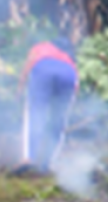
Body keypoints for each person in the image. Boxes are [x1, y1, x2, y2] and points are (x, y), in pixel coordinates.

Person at [16, 36, 78, 176]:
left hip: (43, 69)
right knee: (58, 120)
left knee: (36, 113)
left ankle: (29, 158)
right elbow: (75, 87)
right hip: (69, 74)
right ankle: (48, 163)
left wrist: (19, 89)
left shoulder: (40, 47)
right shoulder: (70, 58)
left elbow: (27, 67)